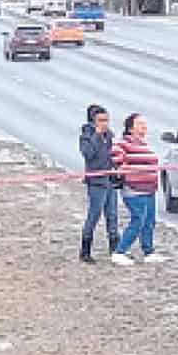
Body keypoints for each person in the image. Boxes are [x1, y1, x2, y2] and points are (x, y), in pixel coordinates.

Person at [110, 113, 166, 265]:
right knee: (138, 220)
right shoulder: (123, 143)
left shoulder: (144, 145)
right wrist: (125, 169)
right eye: (140, 124)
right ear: (131, 127)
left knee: (149, 221)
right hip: (134, 189)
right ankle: (119, 251)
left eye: (145, 124)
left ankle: (148, 251)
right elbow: (116, 157)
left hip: (149, 188)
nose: (144, 127)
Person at [78, 104, 119, 263]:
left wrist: (116, 169)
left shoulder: (109, 136)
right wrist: (96, 135)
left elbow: (111, 156)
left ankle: (115, 248)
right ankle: (85, 250)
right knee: (94, 215)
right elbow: (88, 154)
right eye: (101, 120)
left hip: (109, 179)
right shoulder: (86, 136)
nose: (105, 124)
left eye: (106, 120)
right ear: (93, 122)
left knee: (112, 215)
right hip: (96, 182)